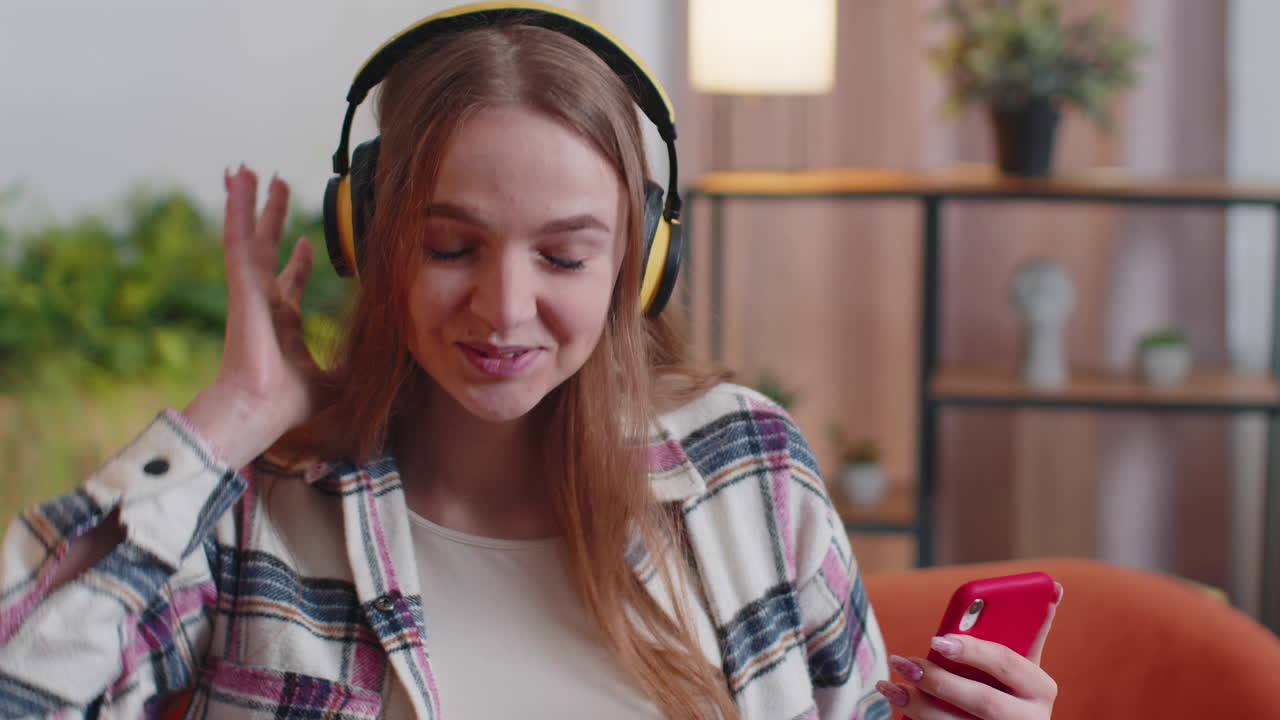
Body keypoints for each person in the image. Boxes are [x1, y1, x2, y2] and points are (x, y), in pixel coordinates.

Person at [0, 4, 1060, 718]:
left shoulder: (749, 468)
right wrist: (230, 418)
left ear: (639, 265)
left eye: (562, 254)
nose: (504, 309)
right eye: (450, 245)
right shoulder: (250, 514)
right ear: (369, 239)